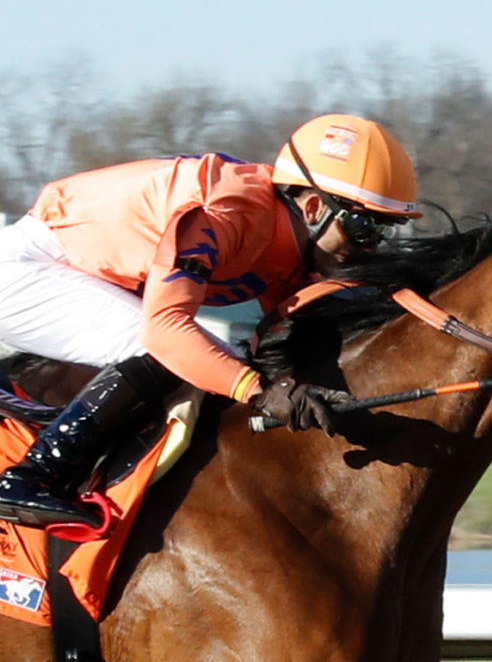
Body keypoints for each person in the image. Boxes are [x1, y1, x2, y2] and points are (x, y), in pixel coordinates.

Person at [0, 114, 421, 528]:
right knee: (162, 349)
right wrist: (259, 392)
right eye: (364, 227)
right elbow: (165, 329)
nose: (372, 247)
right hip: (25, 268)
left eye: (386, 230)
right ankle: (32, 476)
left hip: (79, 272)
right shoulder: (227, 212)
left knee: (218, 359)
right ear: (313, 207)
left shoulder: (296, 248)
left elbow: (271, 343)